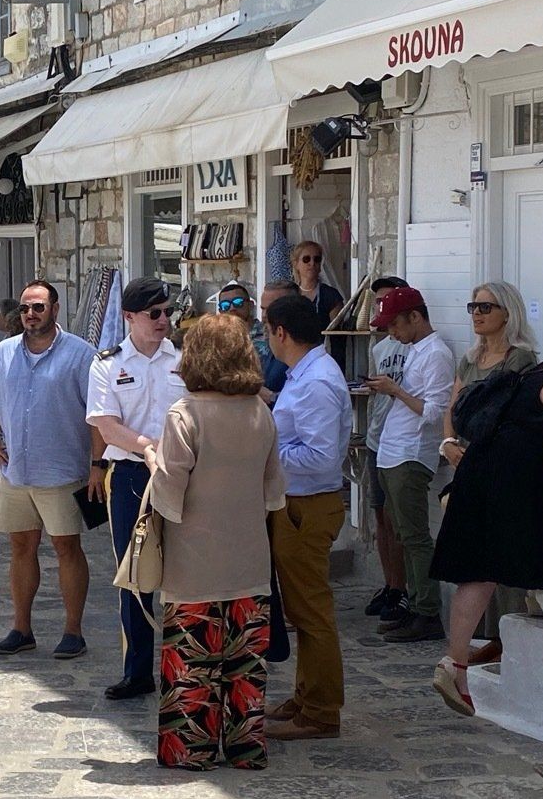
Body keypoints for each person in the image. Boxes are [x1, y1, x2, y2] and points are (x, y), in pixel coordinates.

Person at [149, 314, 286, 769]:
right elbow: (273, 492)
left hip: (194, 561)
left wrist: (150, 457)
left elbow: (169, 495)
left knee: (192, 666)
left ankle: (190, 750)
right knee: (246, 668)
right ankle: (246, 748)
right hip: (249, 558)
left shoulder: (184, 414)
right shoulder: (260, 413)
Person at [431, 325, 543, 716]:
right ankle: (541, 598)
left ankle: (454, 665)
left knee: (481, 571)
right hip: (515, 479)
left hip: (481, 469)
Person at [0, 280, 102, 660]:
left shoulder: (81, 354)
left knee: (67, 548)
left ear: (54, 309)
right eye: (25, 308)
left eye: (38, 307)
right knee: (21, 548)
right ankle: (21, 629)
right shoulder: (3, 353)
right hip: (15, 473)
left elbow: (98, 414)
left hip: (62, 473)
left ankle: (73, 631)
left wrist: (98, 465)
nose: (30, 314)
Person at [86, 277, 186, 700]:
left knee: (183, 571)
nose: (164, 320)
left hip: (180, 473)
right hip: (131, 474)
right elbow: (106, 426)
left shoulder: (182, 357)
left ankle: (183, 665)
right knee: (135, 572)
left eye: (168, 312)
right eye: (154, 313)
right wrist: (147, 447)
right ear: (129, 316)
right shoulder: (107, 364)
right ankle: (138, 670)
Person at [263, 294, 351, 741]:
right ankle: (306, 695)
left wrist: (266, 453)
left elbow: (320, 456)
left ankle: (320, 711)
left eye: (267, 331)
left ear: (281, 332)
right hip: (296, 503)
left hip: (308, 505)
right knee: (301, 609)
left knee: (311, 611)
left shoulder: (316, 381)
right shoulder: (306, 374)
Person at [440, 281, 539, 664]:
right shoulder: (469, 360)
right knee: (477, 556)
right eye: (473, 307)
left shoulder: (520, 360)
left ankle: (506, 636)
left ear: (507, 314)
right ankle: (482, 638)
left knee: (501, 552)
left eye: (485, 307)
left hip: (501, 467)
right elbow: (453, 407)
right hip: (468, 466)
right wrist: (448, 443)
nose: (477, 314)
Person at [366, 286, 455, 643]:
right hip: (393, 450)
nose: (392, 332)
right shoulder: (416, 351)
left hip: (411, 453)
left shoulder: (436, 354)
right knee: (402, 533)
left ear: (415, 317)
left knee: (415, 537)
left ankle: (427, 611)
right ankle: (414, 604)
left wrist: (396, 391)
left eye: (395, 324)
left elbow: (435, 412)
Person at [361, 276, 412, 628]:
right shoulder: (380, 348)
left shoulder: (414, 347)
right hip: (377, 435)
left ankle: (402, 588)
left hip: (401, 439)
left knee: (398, 520)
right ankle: (390, 583)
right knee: (380, 516)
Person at [0, 300, 24, 495]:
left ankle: (0, 482)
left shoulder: (13, 345)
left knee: (2, 443)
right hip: (4, 403)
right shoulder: (4, 346)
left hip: (9, 404)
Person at [291, 241, 346, 367]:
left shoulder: (330, 295)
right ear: (296, 264)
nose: (312, 263)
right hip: (295, 357)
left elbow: (335, 332)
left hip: (324, 357)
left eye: (317, 259)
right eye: (306, 259)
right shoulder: (290, 294)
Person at [256, 279, 298, 403]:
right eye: (262, 309)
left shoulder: (301, 352)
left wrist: (271, 397)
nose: (264, 315)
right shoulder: (270, 344)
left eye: (270, 309)